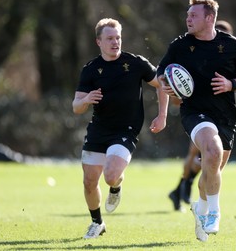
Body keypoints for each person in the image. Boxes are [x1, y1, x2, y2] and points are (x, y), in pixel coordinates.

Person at [157, 0, 236, 242]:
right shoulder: (180, 45)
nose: (188, 19)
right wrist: (168, 88)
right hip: (194, 114)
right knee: (210, 150)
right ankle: (214, 212)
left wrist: (231, 83)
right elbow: (160, 75)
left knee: (211, 172)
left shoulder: (231, 45)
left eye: (194, 15)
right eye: (187, 15)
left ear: (209, 18)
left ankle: (200, 208)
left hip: (225, 116)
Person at [72, 18, 168, 239]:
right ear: (99, 41)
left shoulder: (136, 63)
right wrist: (86, 99)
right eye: (109, 38)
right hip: (99, 129)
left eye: (118, 38)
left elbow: (161, 84)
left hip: (126, 129)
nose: (115, 42)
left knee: (111, 175)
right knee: (89, 182)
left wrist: (162, 115)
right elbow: (76, 107)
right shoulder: (90, 69)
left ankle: (116, 186)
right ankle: (97, 223)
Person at [168, 20, 235, 212]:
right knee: (197, 154)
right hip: (199, 117)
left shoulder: (230, 58)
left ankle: (182, 187)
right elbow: (177, 95)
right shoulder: (194, 57)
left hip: (221, 117)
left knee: (210, 162)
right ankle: (185, 186)